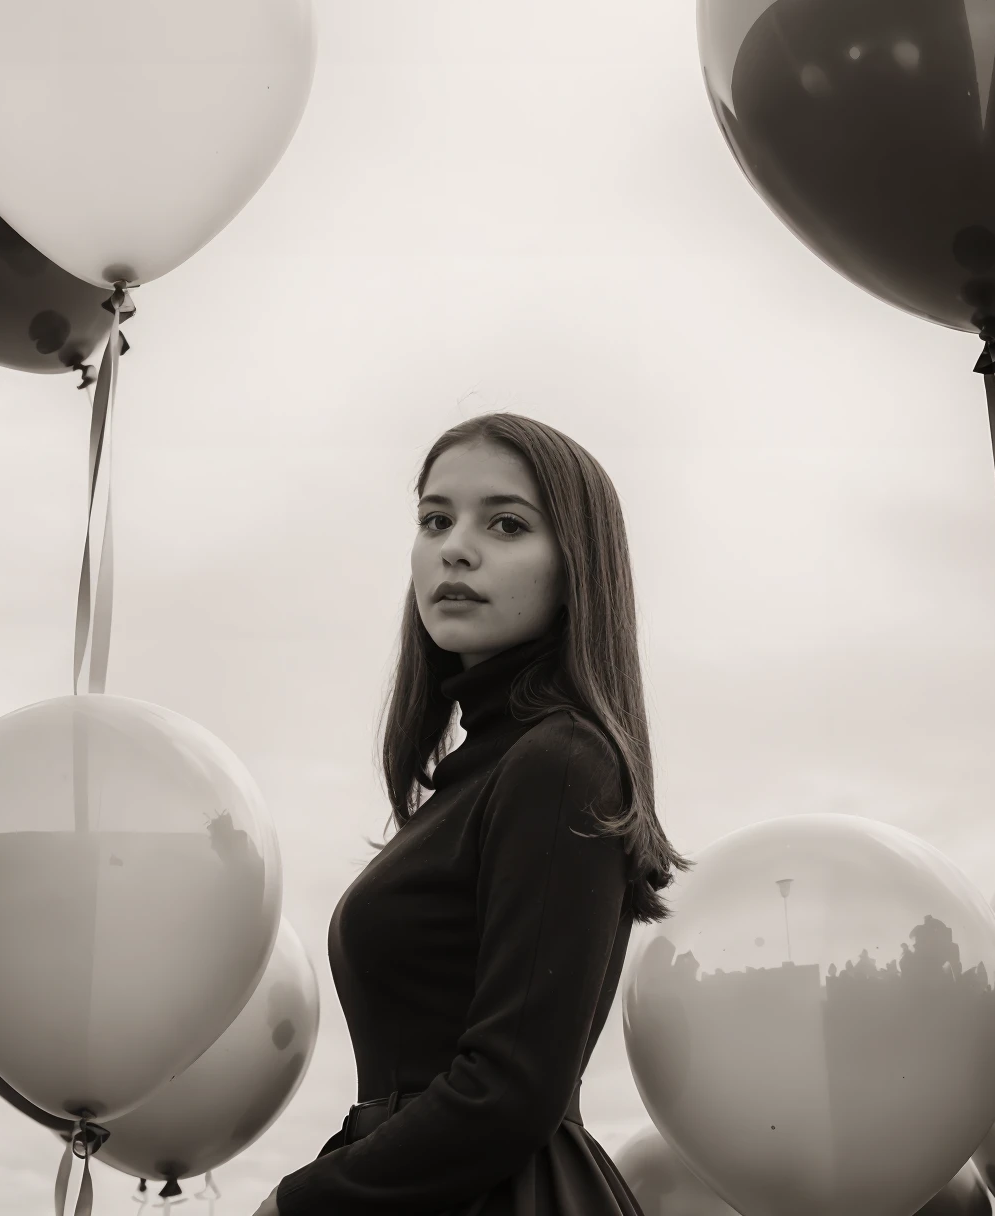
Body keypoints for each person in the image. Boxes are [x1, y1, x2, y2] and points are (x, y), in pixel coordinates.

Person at [253, 413, 693, 1215]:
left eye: (507, 523)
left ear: (577, 568)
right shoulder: (476, 777)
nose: (455, 546)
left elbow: (510, 1089)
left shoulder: (561, 761)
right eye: (434, 519)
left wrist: (299, 1203)